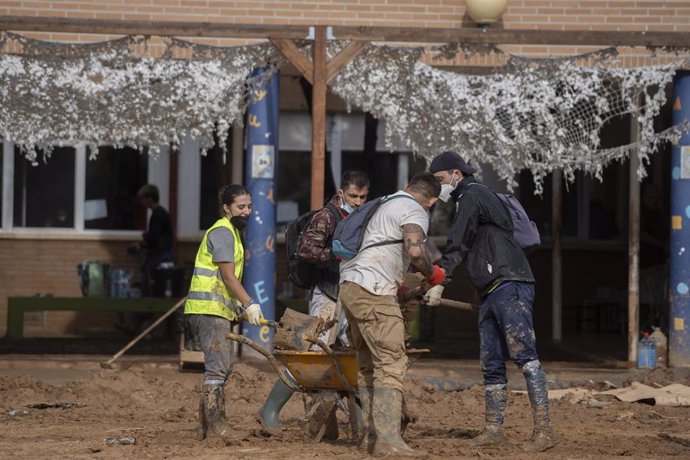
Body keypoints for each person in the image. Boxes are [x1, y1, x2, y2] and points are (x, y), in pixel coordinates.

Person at [425, 151, 555, 452]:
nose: (438, 187)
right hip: (491, 288)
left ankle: (544, 431)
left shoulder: (472, 194)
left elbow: (459, 241)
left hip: (509, 282)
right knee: (492, 361)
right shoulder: (471, 197)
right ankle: (494, 429)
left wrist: (440, 281)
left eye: (440, 180)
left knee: (525, 355)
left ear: (456, 175)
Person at [257, 169, 370, 438]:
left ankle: (347, 424)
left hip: (349, 294)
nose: (357, 202)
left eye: (363, 197)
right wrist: (335, 254)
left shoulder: (360, 217)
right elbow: (306, 249)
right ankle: (269, 410)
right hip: (328, 295)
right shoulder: (327, 216)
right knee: (312, 355)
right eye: (353, 196)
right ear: (342, 192)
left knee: (350, 356)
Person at [339, 172, 442, 457]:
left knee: (368, 364)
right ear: (431, 200)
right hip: (373, 290)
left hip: (350, 286)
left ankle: (370, 437)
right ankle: (388, 440)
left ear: (407, 186)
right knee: (392, 361)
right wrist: (432, 274)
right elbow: (415, 248)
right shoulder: (413, 209)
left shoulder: (383, 202)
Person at [184, 184, 265, 443]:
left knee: (219, 367)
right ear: (227, 208)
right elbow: (228, 277)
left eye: (249, 207)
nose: (247, 212)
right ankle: (216, 426)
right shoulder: (222, 232)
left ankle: (205, 427)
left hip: (214, 309)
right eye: (241, 207)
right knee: (218, 369)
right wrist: (250, 303)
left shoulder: (231, 232)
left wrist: (238, 306)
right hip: (209, 310)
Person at [133, 184, 173, 296]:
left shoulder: (158, 215)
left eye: (143, 198)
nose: (141, 202)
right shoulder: (161, 213)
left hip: (159, 255)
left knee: (148, 281)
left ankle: (147, 310)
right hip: (162, 253)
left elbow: (154, 237)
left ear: (150, 197)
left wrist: (144, 241)